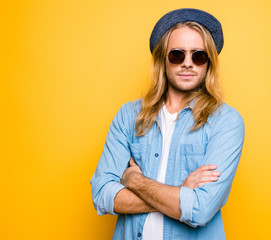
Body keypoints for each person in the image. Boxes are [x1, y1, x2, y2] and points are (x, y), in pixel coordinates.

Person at [90, 8, 245, 240]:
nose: (188, 63)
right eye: (177, 55)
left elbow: (200, 209)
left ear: (209, 63)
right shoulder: (128, 115)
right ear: (163, 59)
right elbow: (102, 195)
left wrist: (135, 181)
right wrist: (181, 191)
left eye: (198, 56)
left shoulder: (226, 121)